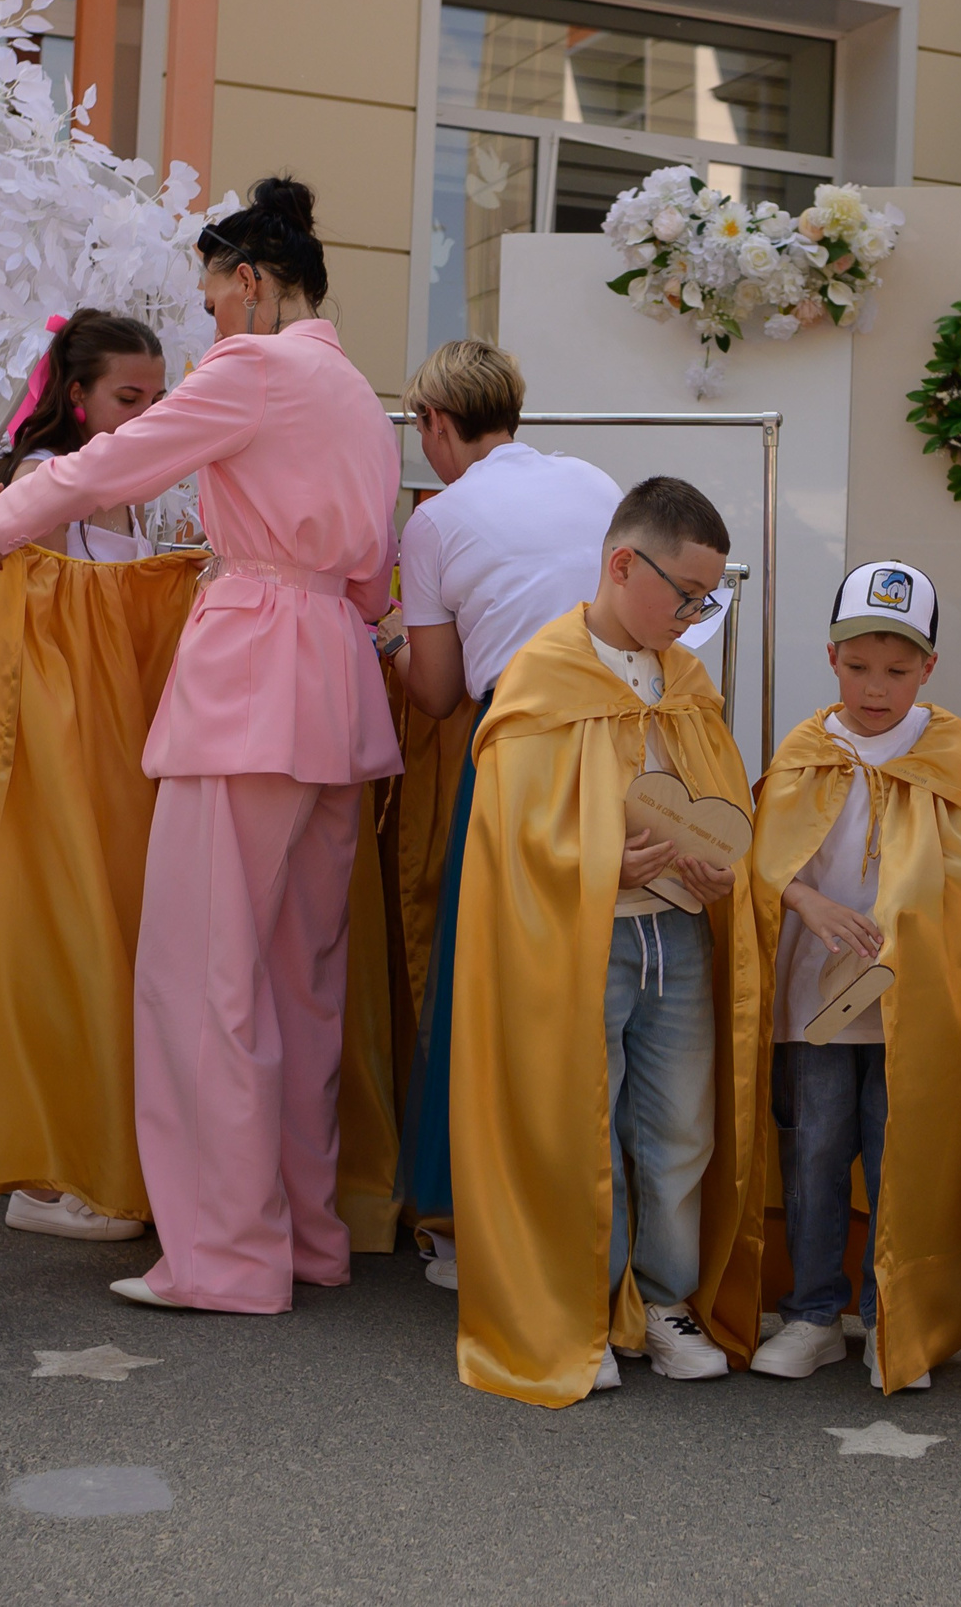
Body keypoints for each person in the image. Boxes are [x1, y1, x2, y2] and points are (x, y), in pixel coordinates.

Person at [0, 177, 403, 1315]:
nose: (211, 321)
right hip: (331, 679)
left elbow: (125, 457)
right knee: (300, 983)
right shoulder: (356, 389)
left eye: (214, 298)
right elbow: (370, 574)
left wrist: (6, 514)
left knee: (198, 981)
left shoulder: (258, 368)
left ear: (249, 285)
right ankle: (304, 1234)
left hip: (253, 678)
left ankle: (223, 1255)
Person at [450, 476, 765, 1405]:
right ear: (622, 563)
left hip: (678, 934)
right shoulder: (542, 674)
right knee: (579, 1123)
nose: (694, 614)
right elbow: (512, 829)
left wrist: (719, 867)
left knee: (677, 1130)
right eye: (685, 594)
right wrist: (601, 860)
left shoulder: (684, 679)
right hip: (584, 943)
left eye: (710, 598)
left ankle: (664, 1304)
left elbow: (716, 791)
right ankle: (582, 1308)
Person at [0, 309, 167, 1238]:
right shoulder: (40, 479)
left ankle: (87, 1152)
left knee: (104, 930)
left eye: (156, 400)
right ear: (78, 395)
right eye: (127, 398)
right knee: (47, 928)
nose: (144, 416)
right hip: (44, 720)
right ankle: (44, 1172)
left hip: (108, 722)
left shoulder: (134, 490)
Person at [392, 339, 621, 1288]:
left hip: (520, 745)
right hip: (621, 738)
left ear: (439, 424)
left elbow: (438, 693)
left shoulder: (439, 518)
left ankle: (463, 1210)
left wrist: (383, 642)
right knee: (606, 979)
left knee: (481, 973)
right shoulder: (595, 479)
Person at [744, 561, 961, 1391]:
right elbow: (767, 857)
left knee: (901, 1152)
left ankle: (896, 1316)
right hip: (817, 997)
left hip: (910, 1001)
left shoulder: (946, 747)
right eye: (857, 667)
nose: (874, 688)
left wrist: (911, 928)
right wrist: (807, 902)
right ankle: (814, 1314)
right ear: (829, 657)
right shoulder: (809, 744)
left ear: (928, 668)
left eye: (896, 669)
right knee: (814, 1148)